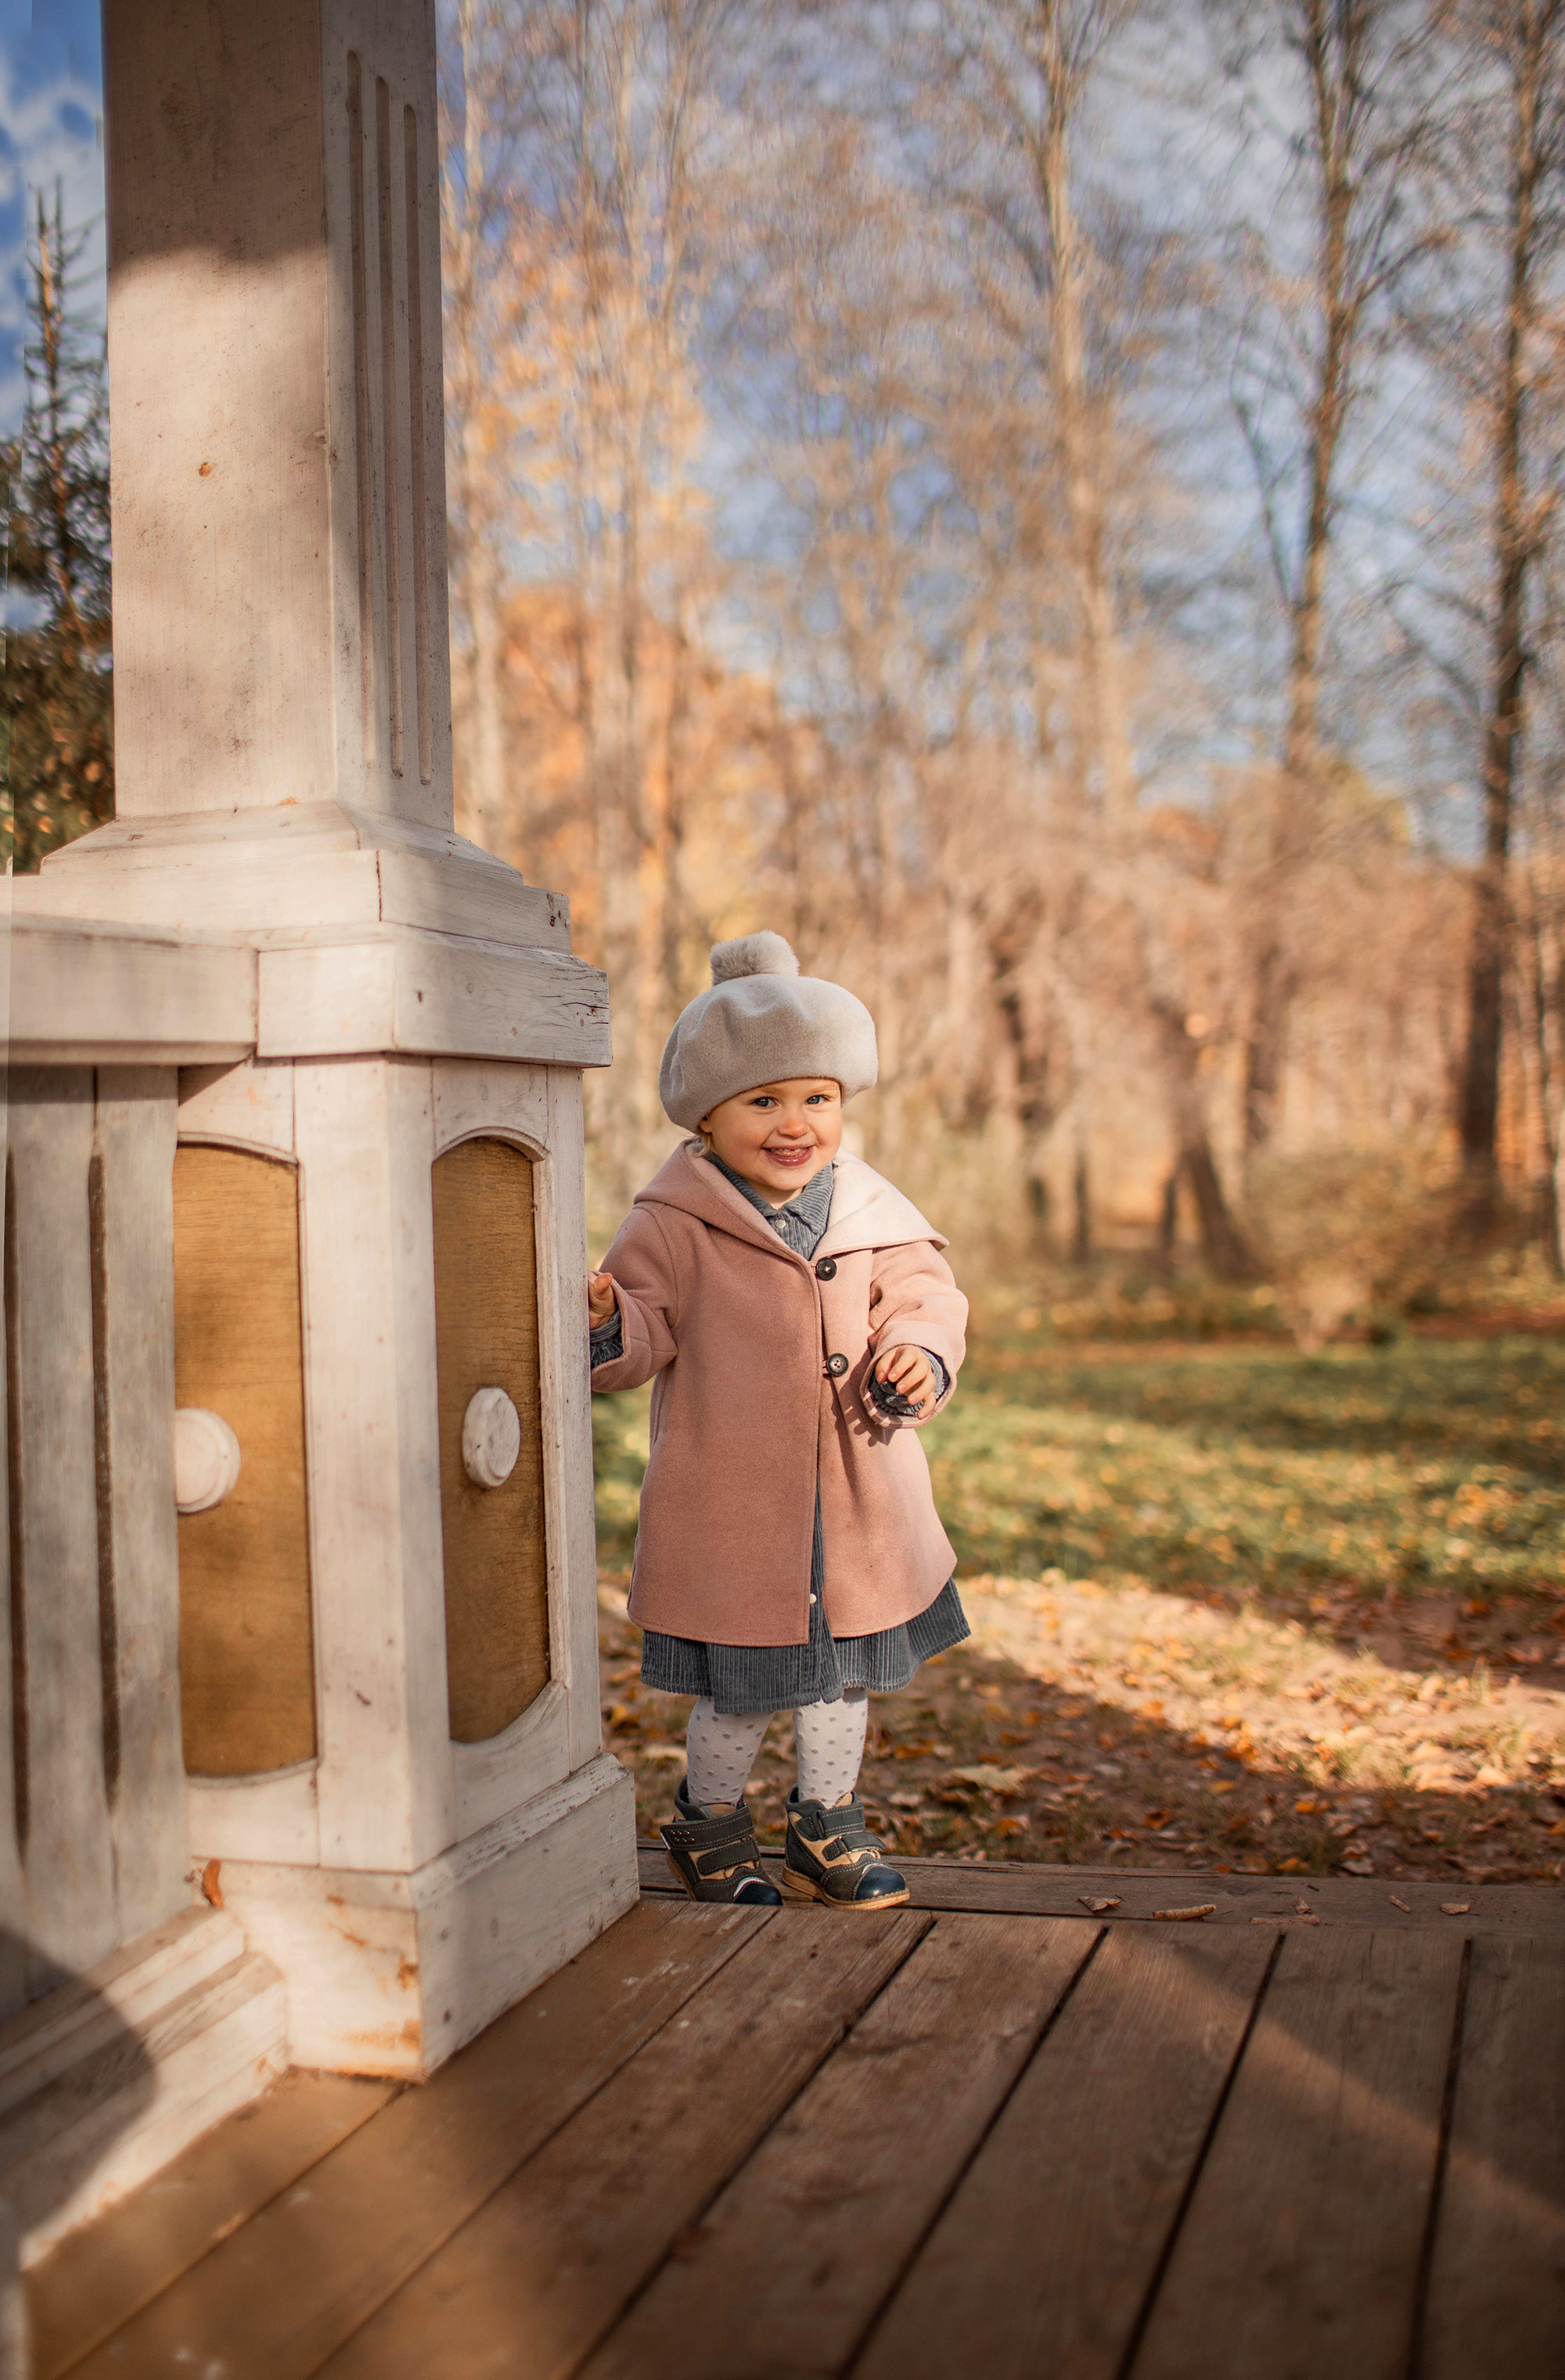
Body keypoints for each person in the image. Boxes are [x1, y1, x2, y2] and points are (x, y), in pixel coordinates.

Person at [588, 931, 968, 1908]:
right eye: (762, 1101)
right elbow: (644, 1334)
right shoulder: (674, 1221)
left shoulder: (871, 1208)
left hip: (851, 1504)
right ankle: (706, 1821)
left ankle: (824, 1822)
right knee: (738, 1692)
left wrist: (917, 1353)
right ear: (707, 1117)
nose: (794, 1122)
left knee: (840, 1681)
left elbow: (927, 1296)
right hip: (737, 1508)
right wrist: (607, 1320)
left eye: (817, 1098)